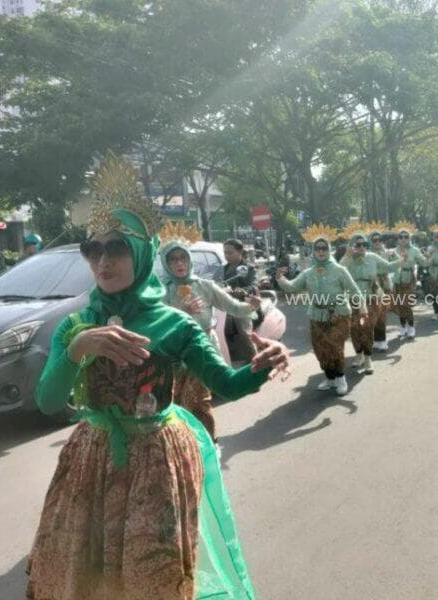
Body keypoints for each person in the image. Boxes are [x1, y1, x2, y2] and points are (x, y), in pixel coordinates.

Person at [27, 155, 289, 600]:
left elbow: (227, 384)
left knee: (154, 579)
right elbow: (49, 401)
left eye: (117, 248)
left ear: (143, 252)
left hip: (157, 464)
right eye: (94, 250)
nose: (103, 262)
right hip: (91, 462)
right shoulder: (77, 325)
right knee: (81, 576)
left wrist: (261, 367)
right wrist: (77, 349)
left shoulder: (176, 325)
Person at [160, 225, 262, 441]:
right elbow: (157, 322)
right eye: (173, 260)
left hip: (203, 350)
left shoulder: (205, 286)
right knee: (177, 403)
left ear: (189, 260)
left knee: (197, 401)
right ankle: (186, 444)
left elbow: (232, 306)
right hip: (175, 356)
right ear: (166, 264)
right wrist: (181, 312)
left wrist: (251, 306)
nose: (179, 263)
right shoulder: (162, 291)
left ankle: (209, 444)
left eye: (182, 258)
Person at [277, 225, 364, 395]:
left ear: (329, 250)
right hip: (317, 314)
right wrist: (280, 278)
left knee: (335, 347)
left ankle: (340, 379)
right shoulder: (308, 272)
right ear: (313, 251)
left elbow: (355, 291)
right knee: (320, 348)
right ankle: (330, 378)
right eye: (317, 248)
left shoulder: (340, 270)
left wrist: (362, 309)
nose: (321, 251)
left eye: (324, 248)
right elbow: (293, 287)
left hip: (338, 314)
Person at [340, 230, 403, 373]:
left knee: (367, 327)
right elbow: (338, 270)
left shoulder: (372, 257)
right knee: (355, 328)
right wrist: (348, 255)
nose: (362, 247)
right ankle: (359, 355)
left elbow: (387, 266)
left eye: (365, 244)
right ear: (352, 246)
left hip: (372, 297)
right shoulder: (348, 259)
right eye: (358, 244)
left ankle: (368, 359)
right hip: (354, 297)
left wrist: (401, 261)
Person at [223, 239, 258, 365]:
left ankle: (255, 362)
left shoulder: (249, 268)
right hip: (225, 305)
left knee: (244, 334)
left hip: (244, 305)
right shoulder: (223, 269)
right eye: (225, 252)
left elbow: (254, 286)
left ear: (240, 252)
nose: (227, 255)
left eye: (230, 252)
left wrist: (242, 290)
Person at [391, 222, 428, 339]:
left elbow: (424, 262)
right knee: (399, 304)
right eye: (401, 237)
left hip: (409, 279)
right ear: (398, 239)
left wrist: (429, 256)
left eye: (406, 237)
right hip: (396, 279)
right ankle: (403, 327)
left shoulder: (415, 250)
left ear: (409, 238)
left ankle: (411, 327)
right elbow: (388, 265)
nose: (403, 239)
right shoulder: (394, 250)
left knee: (407, 304)